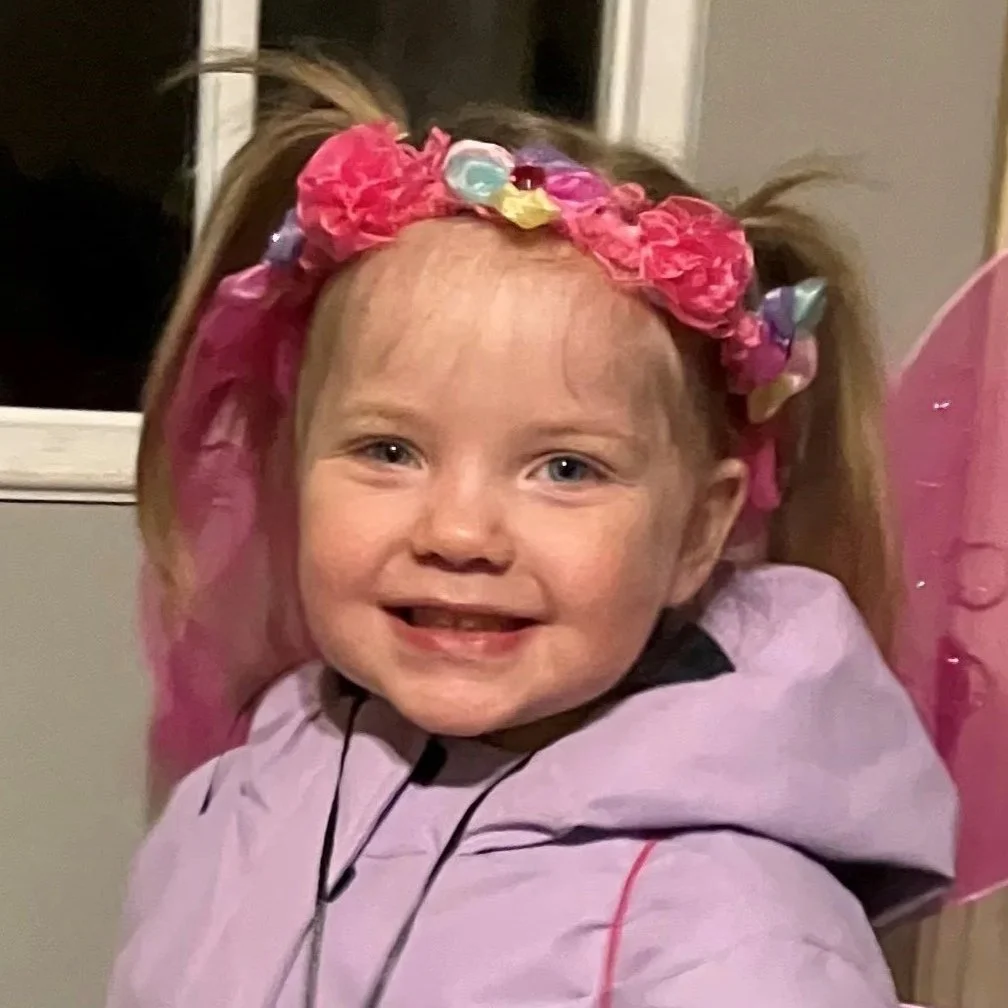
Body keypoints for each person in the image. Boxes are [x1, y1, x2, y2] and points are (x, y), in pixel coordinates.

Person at [107, 53, 958, 1007]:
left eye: (565, 469)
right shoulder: (236, 801)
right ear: (292, 465)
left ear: (696, 532)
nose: (459, 531)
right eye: (390, 451)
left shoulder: (735, 934)